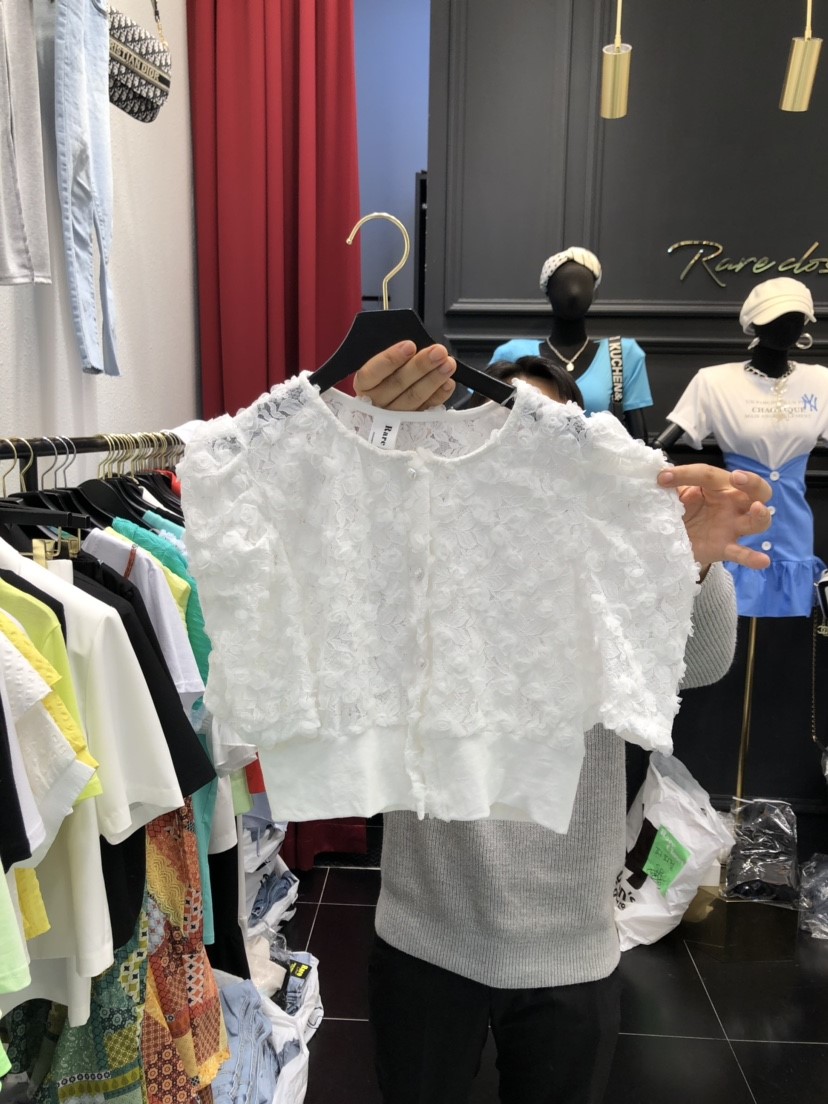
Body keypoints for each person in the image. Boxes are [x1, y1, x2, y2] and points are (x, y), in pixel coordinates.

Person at [352, 341, 772, 1104]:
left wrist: (690, 565)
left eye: (545, 427)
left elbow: (704, 664)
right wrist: (368, 445)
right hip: (423, 927)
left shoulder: (607, 554)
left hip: (570, 942)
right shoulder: (414, 537)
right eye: (499, 420)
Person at [486, 247, 653, 440]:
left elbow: (639, 439)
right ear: (547, 293)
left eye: (583, 284)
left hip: (597, 458)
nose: (573, 292)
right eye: (562, 284)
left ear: (594, 293)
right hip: (528, 458)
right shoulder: (513, 353)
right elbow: (482, 418)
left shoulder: (621, 354)